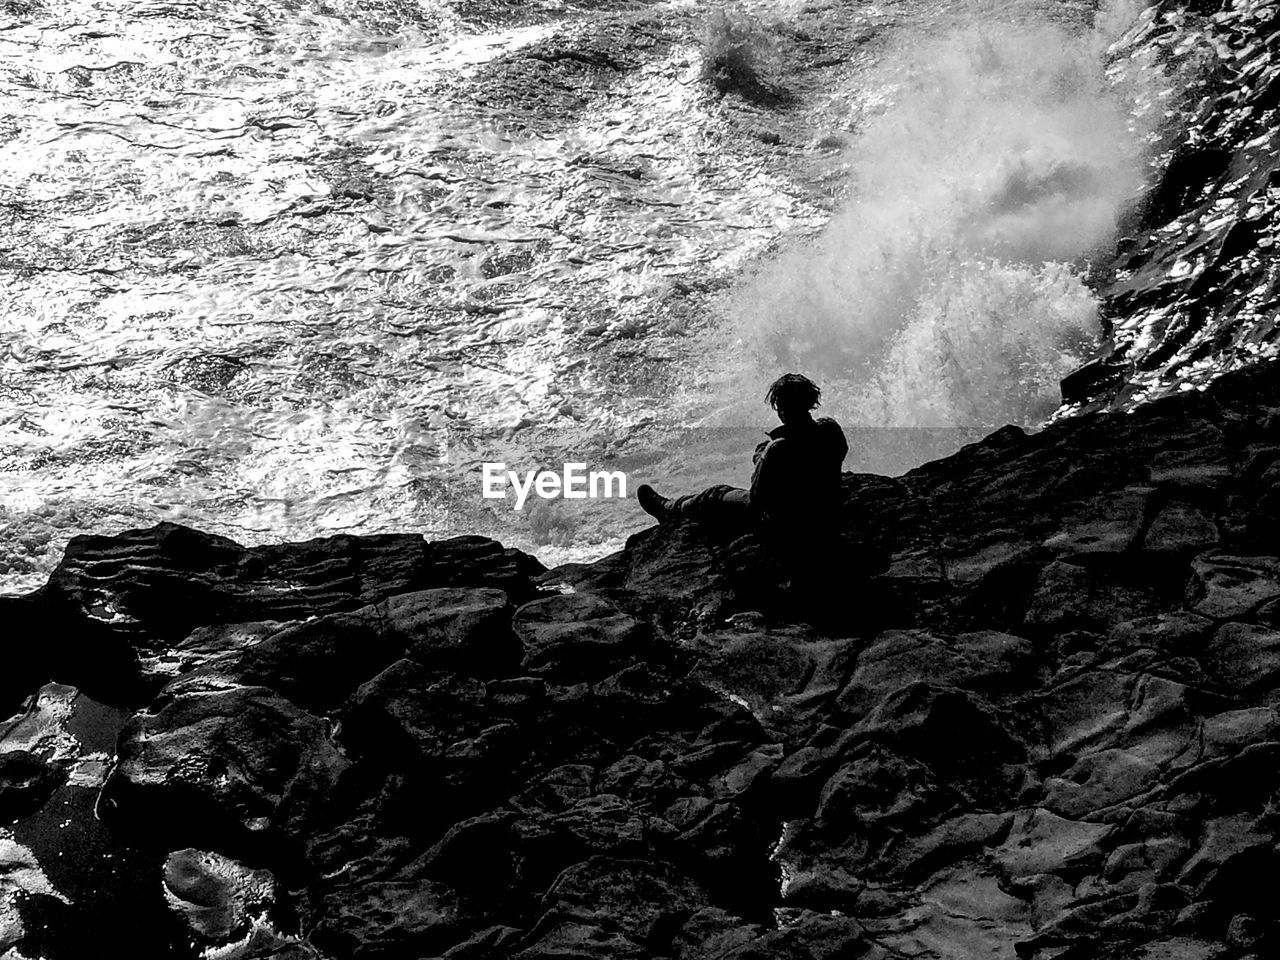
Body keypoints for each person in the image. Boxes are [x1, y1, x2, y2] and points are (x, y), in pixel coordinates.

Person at [636, 373, 848, 550]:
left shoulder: (778, 448)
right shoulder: (831, 429)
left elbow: (757, 497)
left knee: (715, 494)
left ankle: (668, 509)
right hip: (826, 516)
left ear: (781, 409)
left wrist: (761, 457)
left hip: (785, 525)